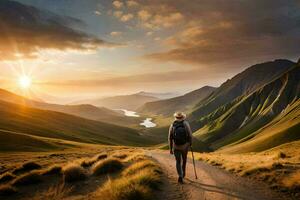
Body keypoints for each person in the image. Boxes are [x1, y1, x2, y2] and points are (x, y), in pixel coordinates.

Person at [168, 112, 193, 184]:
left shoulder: (172, 125)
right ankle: (183, 173)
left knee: (178, 161)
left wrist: (170, 148)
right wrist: (190, 143)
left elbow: (170, 137)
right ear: (183, 117)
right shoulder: (186, 123)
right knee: (184, 160)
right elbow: (190, 135)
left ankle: (180, 176)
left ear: (175, 117)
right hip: (185, 146)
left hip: (176, 146)